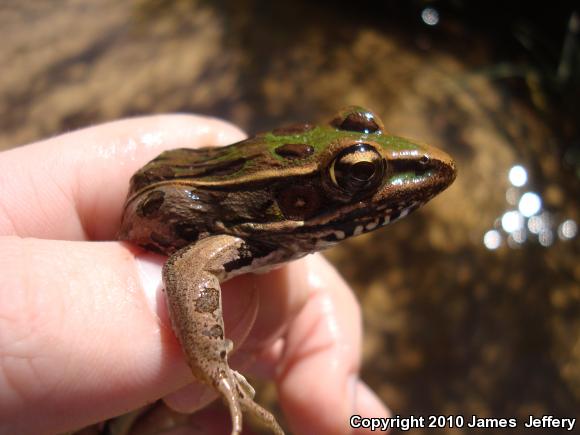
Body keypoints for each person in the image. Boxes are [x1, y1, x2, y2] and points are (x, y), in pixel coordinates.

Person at [0, 114, 389, 434]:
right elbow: (188, 269)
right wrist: (214, 367)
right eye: (360, 172)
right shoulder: (239, 240)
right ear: (296, 199)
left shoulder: (264, 238)